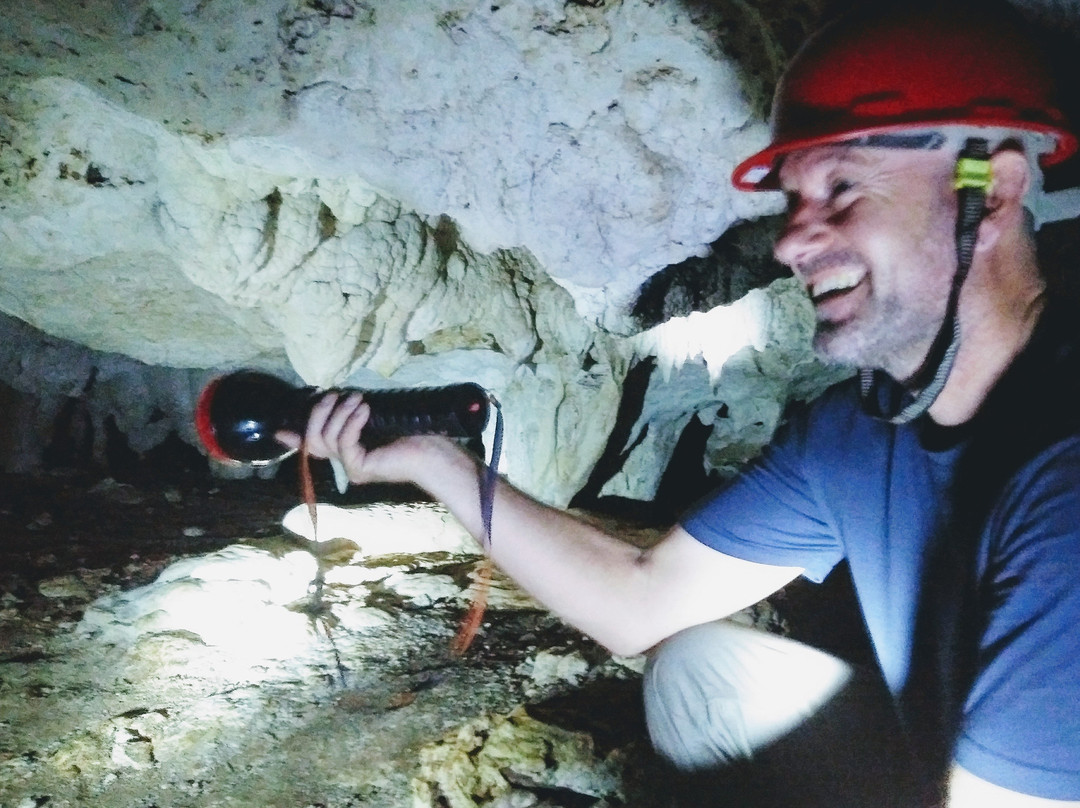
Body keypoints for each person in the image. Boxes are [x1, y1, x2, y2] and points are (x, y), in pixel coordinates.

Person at [277, 2, 1080, 805]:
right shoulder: (857, 431)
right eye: (793, 202)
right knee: (699, 670)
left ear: (995, 188)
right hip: (951, 759)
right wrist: (436, 462)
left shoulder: (1066, 477)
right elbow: (637, 598)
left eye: (843, 187)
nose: (793, 240)